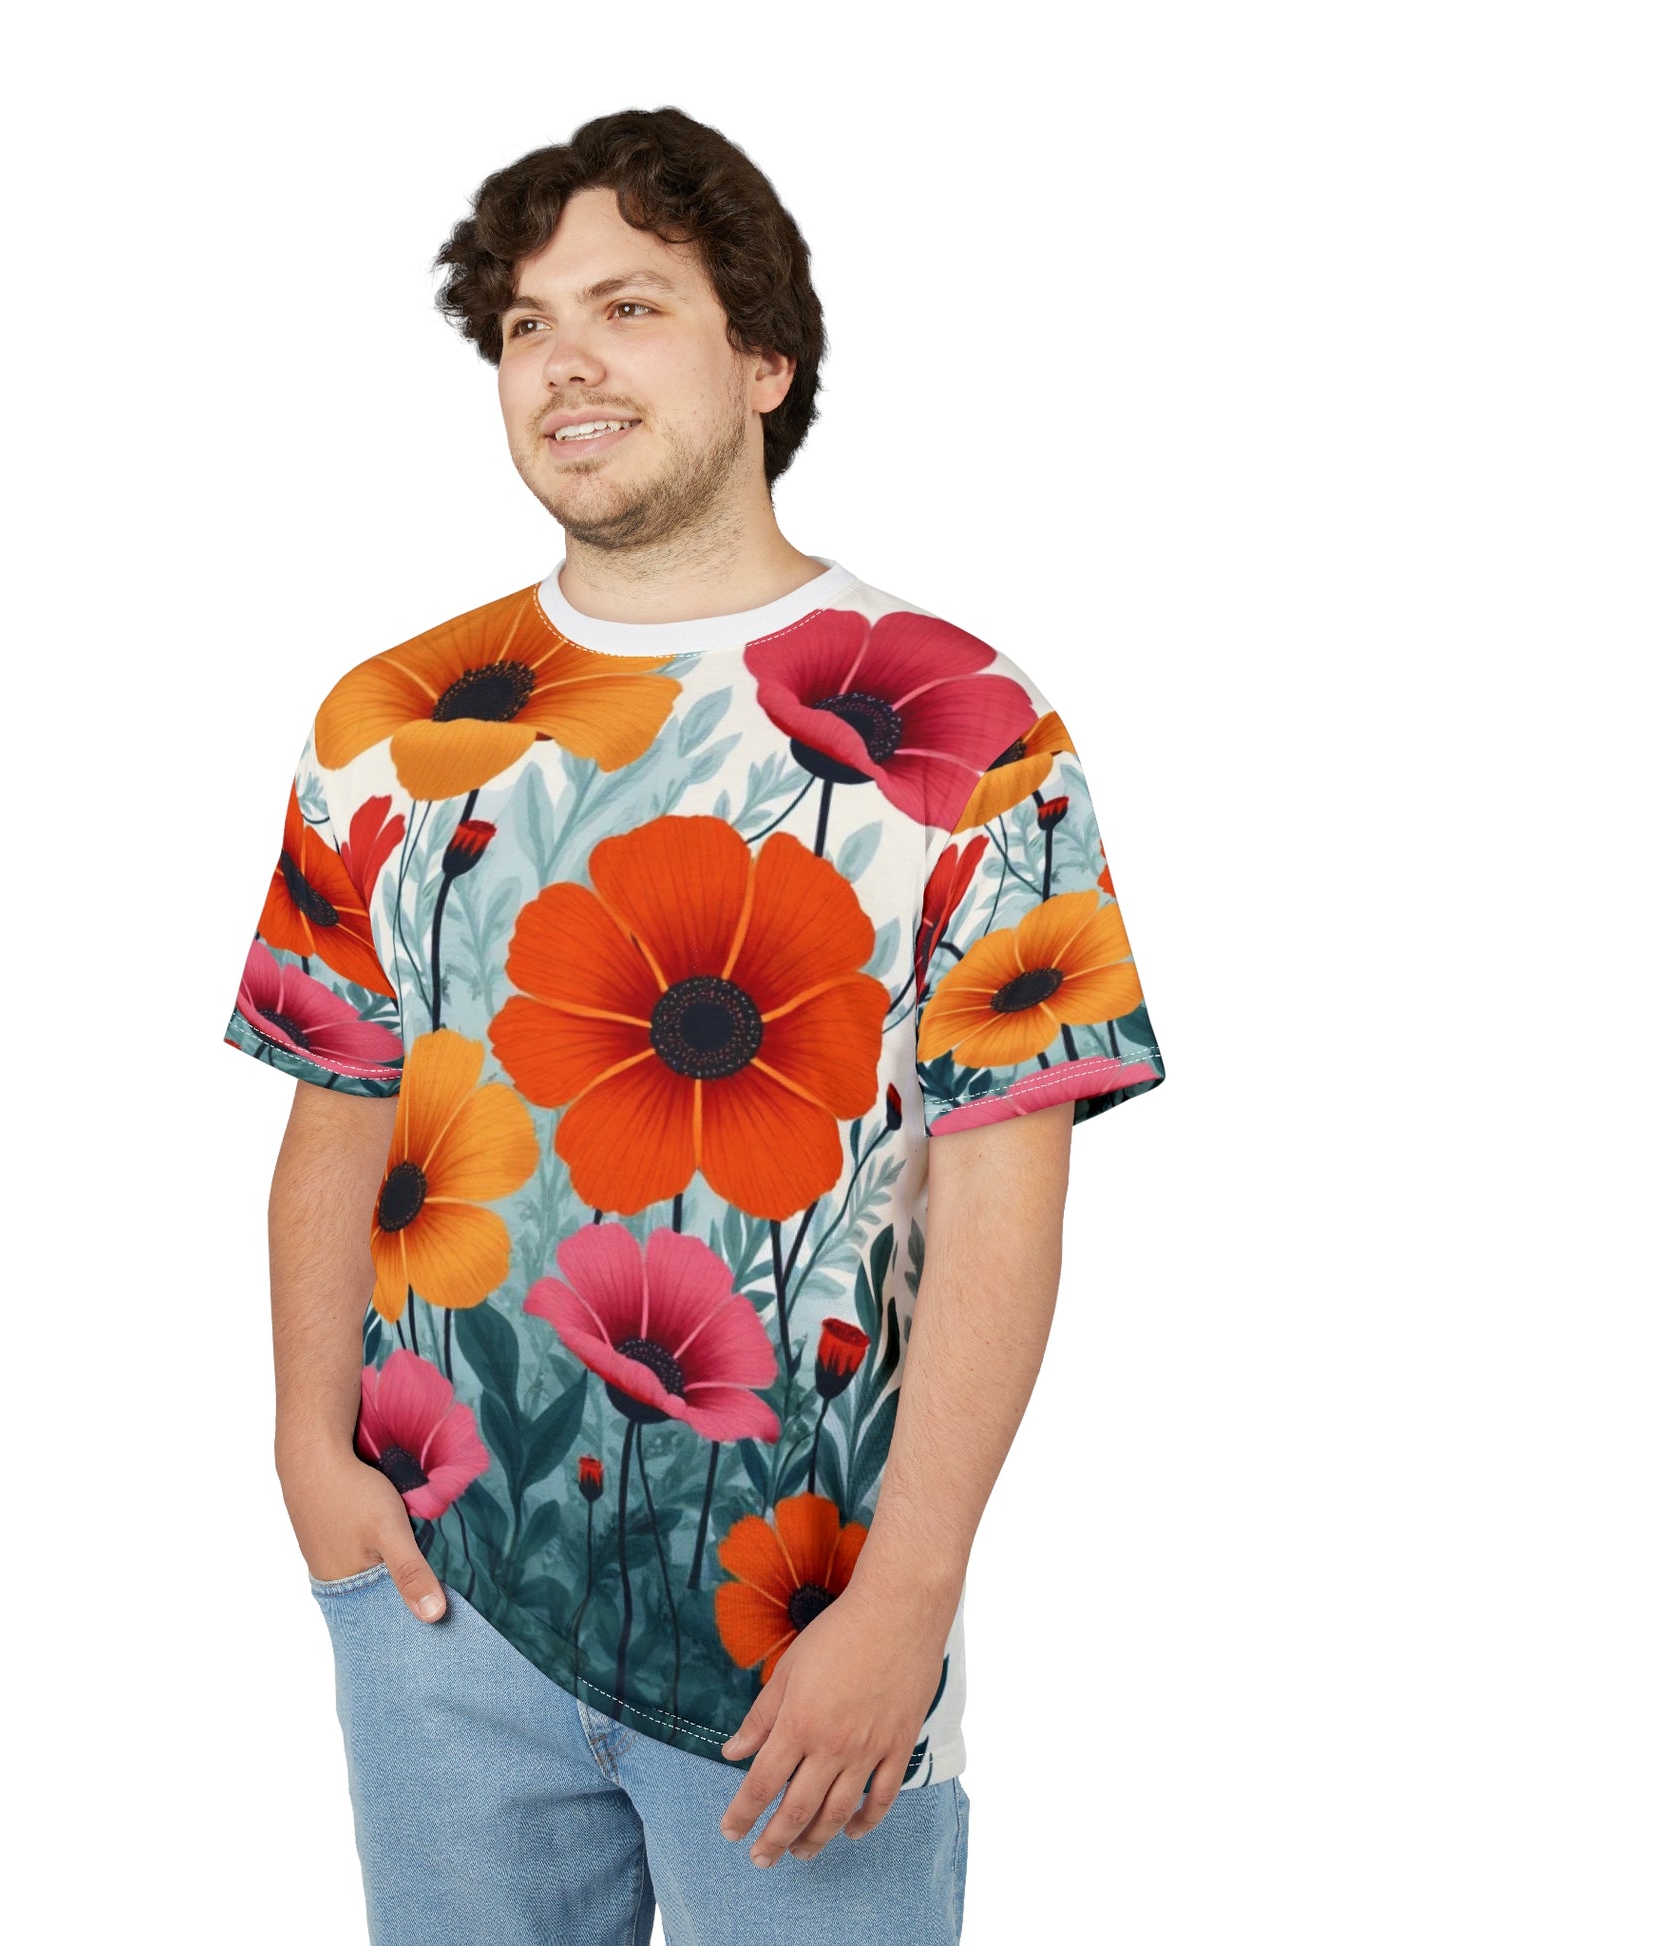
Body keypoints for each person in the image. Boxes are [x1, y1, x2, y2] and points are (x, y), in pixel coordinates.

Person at [223, 105, 1166, 1945]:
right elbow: (335, 1103)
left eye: (628, 306)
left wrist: (906, 1598)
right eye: (524, 324)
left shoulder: (967, 725)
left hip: (804, 1632)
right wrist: (303, 1452)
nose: (562, 360)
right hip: (436, 1596)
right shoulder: (394, 717)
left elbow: (1005, 1189)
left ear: (763, 359)